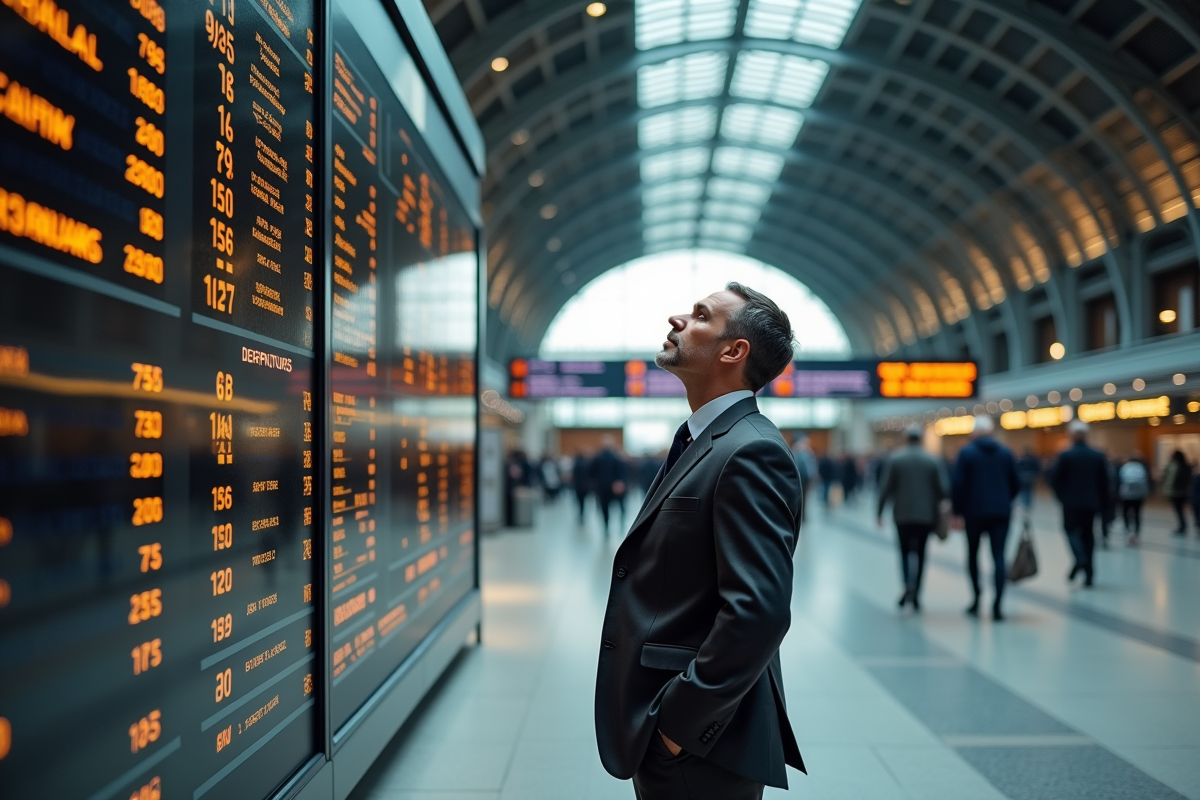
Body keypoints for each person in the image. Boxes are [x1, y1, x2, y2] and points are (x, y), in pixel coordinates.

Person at [595, 283, 805, 799]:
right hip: (678, 732)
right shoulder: (708, 442)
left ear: (734, 352)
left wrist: (676, 727)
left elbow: (759, 611)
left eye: (700, 316)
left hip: (701, 744)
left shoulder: (750, 451)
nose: (677, 319)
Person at [951, 415, 1019, 621]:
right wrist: (1005, 500)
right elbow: (1016, 482)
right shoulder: (1006, 453)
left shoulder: (966, 453)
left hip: (973, 513)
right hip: (1001, 512)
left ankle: (976, 597)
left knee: (973, 554)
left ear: (975, 432)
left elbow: (957, 485)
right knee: (998, 556)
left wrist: (957, 511)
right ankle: (998, 603)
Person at [876, 428, 948, 612]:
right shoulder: (932, 460)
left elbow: (886, 487)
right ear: (921, 440)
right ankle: (917, 593)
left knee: (904, 552)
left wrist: (879, 512)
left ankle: (907, 584)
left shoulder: (895, 459)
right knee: (922, 553)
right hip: (925, 516)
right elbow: (943, 489)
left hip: (902, 515)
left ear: (906, 439)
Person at [1049, 421, 1109, 587]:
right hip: (1091, 503)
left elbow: (1054, 480)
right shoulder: (1097, 456)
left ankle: (1080, 557)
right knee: (1088, 536)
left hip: (1071, 503)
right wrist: (1104, 504)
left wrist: (1062, 497)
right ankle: (1089, 574)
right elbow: (1105, 483)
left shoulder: (1066, 455)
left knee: (1069, 530)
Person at [590, 435, 628, 536]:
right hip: (615, 487)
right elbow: (622, 472)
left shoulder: (597, 457)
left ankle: (606, 526)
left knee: (605, 508)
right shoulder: (616, 457)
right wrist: (620, 481)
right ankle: (621, 524)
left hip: (602, 488)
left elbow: (591, 472)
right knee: (620, 506)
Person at [1118, 452, 1150, 545]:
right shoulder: (1141, 467)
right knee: (1137, 513)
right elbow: (1145, 480)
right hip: (1139, 495)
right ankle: (1136, 533)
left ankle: (1128, 531)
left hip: (1126, 494)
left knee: (1125, 513)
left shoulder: (1125, 467)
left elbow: (1120, 479)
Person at [1162, 450, 1193, 536]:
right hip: (1184, 491)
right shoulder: (1186, 466)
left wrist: (1167, 489)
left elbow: (1170, 480)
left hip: (1175, 492)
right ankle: (1183, 525)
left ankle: (1182, 526)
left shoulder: (1173, 466)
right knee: (1181, 510)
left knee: (1179, 510)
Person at [791, 434, 817, 523]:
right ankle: (800, 516)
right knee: (800, 499)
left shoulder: (808, 453)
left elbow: (811, 466)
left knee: (805, 499)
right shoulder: (796, 452)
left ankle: (804, 516)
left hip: (806, 479)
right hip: (799, 479)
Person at [573, 449, 592, 524]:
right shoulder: (588, 463)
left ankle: (581, 513)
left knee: (581, 501)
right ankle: (582, 513)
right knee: (582, 501)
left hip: (579, 485)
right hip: (583, 485)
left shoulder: (578, 463)